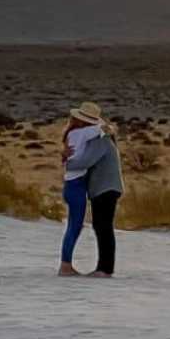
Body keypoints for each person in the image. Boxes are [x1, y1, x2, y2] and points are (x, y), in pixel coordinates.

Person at [65, 106, 125, 278]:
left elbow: (85, 161)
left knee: (103, 227)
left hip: (105, 188)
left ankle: (105, 269)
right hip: (104, 188)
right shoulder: (100, 138)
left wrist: (67, 163)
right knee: (102, 226)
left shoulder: (100, 141)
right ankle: (103, 267)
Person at [58, 103, 103, 276]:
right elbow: (105, 128)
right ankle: (65, 265)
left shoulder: (71, 133)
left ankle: (66, 263)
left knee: (72, 226)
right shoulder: (84, 132)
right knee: (74, 227)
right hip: (76, 185)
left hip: (71, 184)